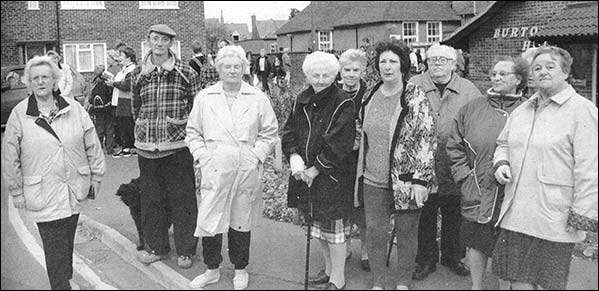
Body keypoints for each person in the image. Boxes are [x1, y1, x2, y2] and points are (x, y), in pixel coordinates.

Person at [492, 46, 598, 290]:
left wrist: (583, 212)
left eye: (550, 67)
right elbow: (503, 144)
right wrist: (501, 162)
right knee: (517, 279)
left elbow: (590, 167)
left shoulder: (582, 111)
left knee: (547, 282)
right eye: (537, 68)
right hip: (517, 213)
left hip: (554, 217)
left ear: (565, 72)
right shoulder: (522, 110)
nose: (542, 72)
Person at [2, 55, 105, 290]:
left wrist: (97, 175)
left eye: (45, 77)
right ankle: (61, 285)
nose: (40, 82)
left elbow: (92, 141)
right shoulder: (20, 114)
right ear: (29, 82)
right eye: (35, 78)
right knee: (54, 246)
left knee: (66, 243)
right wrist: (16, 191)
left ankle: (64, 277)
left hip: (73, 187)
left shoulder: (73, 108)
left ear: (54, 80)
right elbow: (10, 156)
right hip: (42, 191)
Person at [186, 45, 278, 290]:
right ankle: (211, 269)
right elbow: (193, 132)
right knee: (211, 219)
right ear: (219, 69)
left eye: (237, 66)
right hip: (214, 167)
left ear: (244, 69)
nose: (232, 71)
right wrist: (203, 157)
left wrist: (256, 156)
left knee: (240, 220)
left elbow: (270, 133)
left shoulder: (257, 98)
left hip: (244, 167)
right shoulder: (205, 98)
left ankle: (240, 269)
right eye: (227, 66)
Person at [354, 39, 436, 290]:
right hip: (373, 179)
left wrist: (421, 180)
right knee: (375, 234)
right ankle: (378, 282)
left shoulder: (414, 95)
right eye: (382, 61)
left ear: (402, 64)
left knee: (407, 233)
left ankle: (402, 283)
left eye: (393, 61)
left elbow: (426, 137)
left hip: (407, 179)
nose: (387, 67)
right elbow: (360, 129)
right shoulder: (370, 93)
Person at [446, 56, 528, 290]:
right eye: (494, 73)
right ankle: (476, 285)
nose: (497, 78)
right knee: (476, 241)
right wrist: (464, 176)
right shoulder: (471, 108)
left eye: (504, 74)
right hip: (478, 186)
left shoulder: (528, 109)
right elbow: (454, 145)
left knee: (508, 243)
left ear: (518, 79)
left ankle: (505, 286)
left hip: (514, 189)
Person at [282, 51, 355, 290]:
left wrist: (316, 168)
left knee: (334, 230)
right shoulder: (301, 98)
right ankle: (327, 270)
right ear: (308, 75)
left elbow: (340, 141)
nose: (321, 79)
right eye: (316, 75)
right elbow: (289, 130)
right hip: (304, 173)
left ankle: (338, 278)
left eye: (326, 75)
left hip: (331, 175)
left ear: (334, 75)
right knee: (318, 227)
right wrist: (293, 157)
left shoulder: (343, 101)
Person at [131, 24, 202, 269]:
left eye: (164, 40)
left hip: (178, 147)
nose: (159, 44)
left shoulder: (186, 71)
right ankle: (157, 248)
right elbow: (135, 107)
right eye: (155, 39)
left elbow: (196, 108)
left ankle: (186, 251)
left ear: (170, 43)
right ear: (148, 41)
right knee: (151, 200)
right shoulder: (138, 72)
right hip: (146, 148)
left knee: (182, 200)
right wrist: (143, 129)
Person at [410, 44, 482, 281]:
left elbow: (477, 123)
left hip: (454, 163)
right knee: (425, 213)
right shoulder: (415, 85)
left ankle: (452, 256)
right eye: (433, 60)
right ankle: (426, 259)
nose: (437, 64)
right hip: (423, 164)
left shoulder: (468, 89)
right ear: (426, 63)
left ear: (454, 64)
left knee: (454, 214)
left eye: (443, 60)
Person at [337, 48, 370, 272]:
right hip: (339, 158)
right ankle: (345, 245)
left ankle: (367, 250)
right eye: (347, 69)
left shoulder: (369, 94)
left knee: (364, 205)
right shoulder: (332, 91)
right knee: (342, 204)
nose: (350, 74)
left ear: (363, 71)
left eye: (355, 70)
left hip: (363, 157)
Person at [107, 46, 137, 158]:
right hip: (120, 100)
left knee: (128, 124)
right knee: (122, 125)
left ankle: (134, 147)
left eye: (122, 56)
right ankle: (126, 148)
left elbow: (127, 85)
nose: (119, 58)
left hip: (128, 100)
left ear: (128, 57)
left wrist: (114, 83)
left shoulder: (132, 69)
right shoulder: (124, 69)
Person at [87, 64, 115, 155]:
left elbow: (90, 98)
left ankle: (99, 150)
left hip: (97, 110)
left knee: (99, 129)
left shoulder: (94, 83)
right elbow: (111, 94)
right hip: (107, 109)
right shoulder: (107, 81)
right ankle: (110, 149)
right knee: (109, 129)